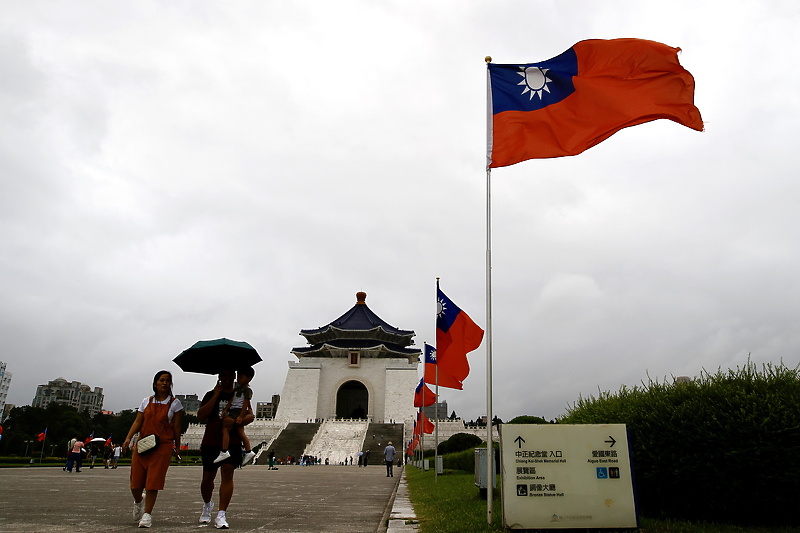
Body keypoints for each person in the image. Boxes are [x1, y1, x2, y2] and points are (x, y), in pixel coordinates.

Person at [123, 370, 183, 529]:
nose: (164, 383)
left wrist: (176, 447)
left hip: (163, 445)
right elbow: (137, 422)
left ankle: (147, 514)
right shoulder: (146, 401)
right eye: (161, 380)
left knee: (153, 481)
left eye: (168, 380)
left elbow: (177, 427)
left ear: (171, 384)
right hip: (144, 444)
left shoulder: (175, 403)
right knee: (135, 484)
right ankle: (138, 501)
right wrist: (128, 438)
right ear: (155, 383)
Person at [198, 369, 255, 530]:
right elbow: (201, 415)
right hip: (211, 441)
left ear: (234, 377)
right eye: (224, 375)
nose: (228, 379)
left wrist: (237, 421)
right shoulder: (210, 394)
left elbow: (250, 415)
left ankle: (221, 513)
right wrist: (216, 396)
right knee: (207, 479)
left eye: (231, 375)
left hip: (233, 441)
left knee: (228, 474)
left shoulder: (240, 393)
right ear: (220, 377)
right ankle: (207, 504)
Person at [213, 366, 256, 467]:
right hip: (233, 410)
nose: (238, 379)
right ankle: (249, 451)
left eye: (241, 377)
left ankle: (224, 451)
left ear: (249, 378)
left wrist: (241, 416)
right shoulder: (237, 389)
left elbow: (246, 403)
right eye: (238, 377)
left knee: (225, 429)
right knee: (240, 432)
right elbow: (232, 401)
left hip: (238, 412)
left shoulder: (247, 390)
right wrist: (226, 409)